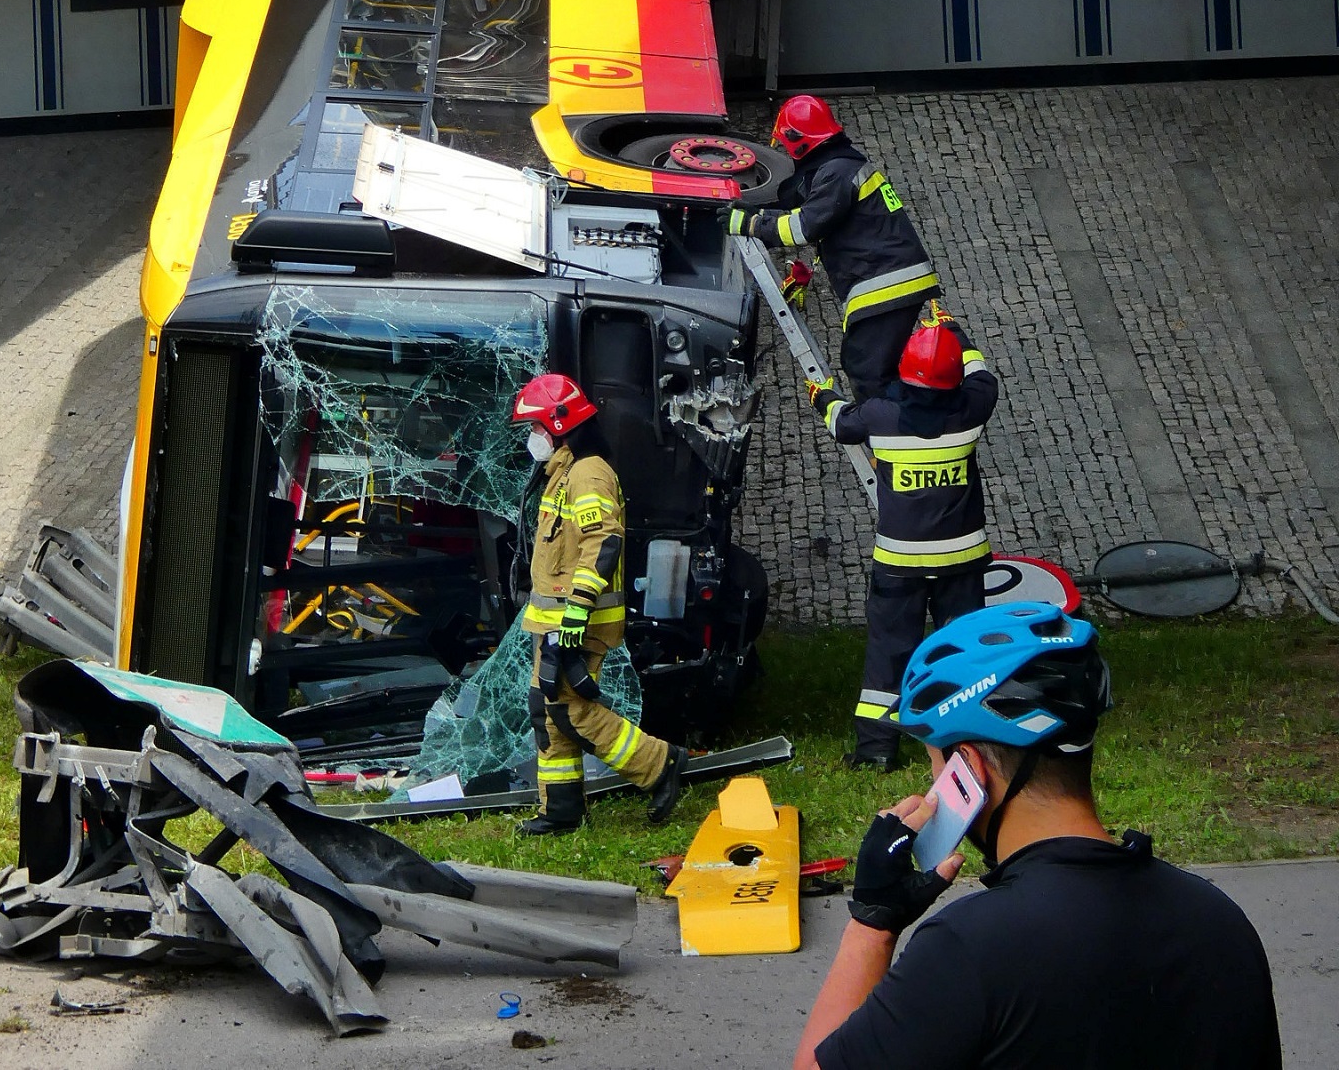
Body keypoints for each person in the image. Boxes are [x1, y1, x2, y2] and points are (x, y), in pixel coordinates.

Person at [796, 604, 1282, 1070]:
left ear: (970, 770)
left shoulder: (971, 948)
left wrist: (872, 926)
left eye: (937, 766)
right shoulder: (1220, 922)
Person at [811, 303, 998, 770]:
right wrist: (954, 330)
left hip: (900, 563)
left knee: (889, 652)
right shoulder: (972, 411)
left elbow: (840, 424)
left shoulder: (879, 417)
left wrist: (821, 396)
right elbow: (982, 374)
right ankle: (967, 746)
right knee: (962, 651)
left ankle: (876, 751)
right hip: (962, 561)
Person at [513, 371, 686, 835]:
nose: (532, 439)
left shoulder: (587, 473)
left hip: (578, 621)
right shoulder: (564, 473)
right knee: (546, 707)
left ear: (558, 425)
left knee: (570, 710)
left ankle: (659, 763)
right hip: (554, 621)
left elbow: (602, 543)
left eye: (535, 429)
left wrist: (574, 614)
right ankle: (561, 811)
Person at [727, 95, 940, 402]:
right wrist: (758, 215)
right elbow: (808, 213)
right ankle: (901, 419)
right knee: (867, 364)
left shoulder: (836, 173)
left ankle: (890, 433)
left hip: (886, 285)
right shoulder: (842, 166)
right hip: (894, 279)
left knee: (869, 371)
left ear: (799, 142)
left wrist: (751, 225)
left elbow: (805, 227)